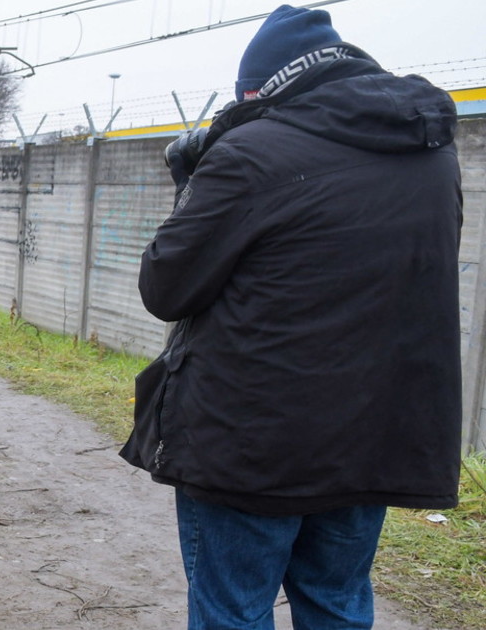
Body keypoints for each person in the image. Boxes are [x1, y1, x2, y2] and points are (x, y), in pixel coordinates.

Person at [119, 4, 463, 629]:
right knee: (336, 600)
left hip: (251, 443)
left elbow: (165, 287)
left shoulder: (249, 152)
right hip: (373, 436)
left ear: (262, 86)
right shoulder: (432, 155)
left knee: (234, 611)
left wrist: (192, 178)